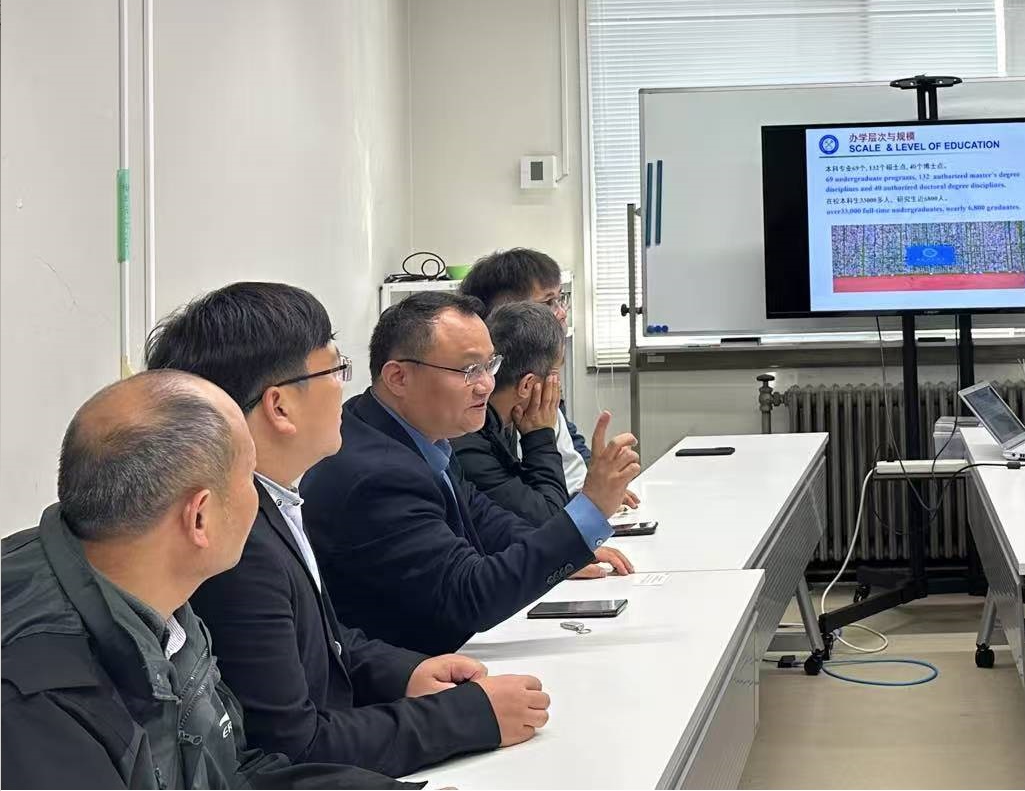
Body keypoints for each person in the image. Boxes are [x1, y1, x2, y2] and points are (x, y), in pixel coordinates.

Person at [145, 282, 551, 775]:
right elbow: (295, 745)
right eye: (335, 371)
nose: (346, 388)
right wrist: (469, 716)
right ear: (279, 406)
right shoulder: (237, 546)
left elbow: (323, 643)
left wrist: (406, 672)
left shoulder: (270, 502)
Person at [1, 371, 404, 789]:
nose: (260, 499)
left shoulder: (160, 606)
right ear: (199, 517)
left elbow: (231, 776)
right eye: (250, 477)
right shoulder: (36, 697)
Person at [301, 291, 639, 656]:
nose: (487, 384)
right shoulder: (376, 475)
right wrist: (588, 511)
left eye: (489, 365)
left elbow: (485, 520)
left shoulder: (407, 429)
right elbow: (471, 596)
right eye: (468, 370)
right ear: (398, 377)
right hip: (404, 673)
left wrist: (570, 548)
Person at [459, 248, 592, 493]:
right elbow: (536, 508)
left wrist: (596, 481)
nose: (561, 312)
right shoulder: (474, 417)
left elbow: (570, 445)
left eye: (561, 299)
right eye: (549, 302)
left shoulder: (538, 377)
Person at [451, 301, 574, 526]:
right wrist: (540, 437)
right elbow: (548, 523)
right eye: (555, 374)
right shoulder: (467, 442)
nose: (558, 387)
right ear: (527, 385)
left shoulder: (500, 424)